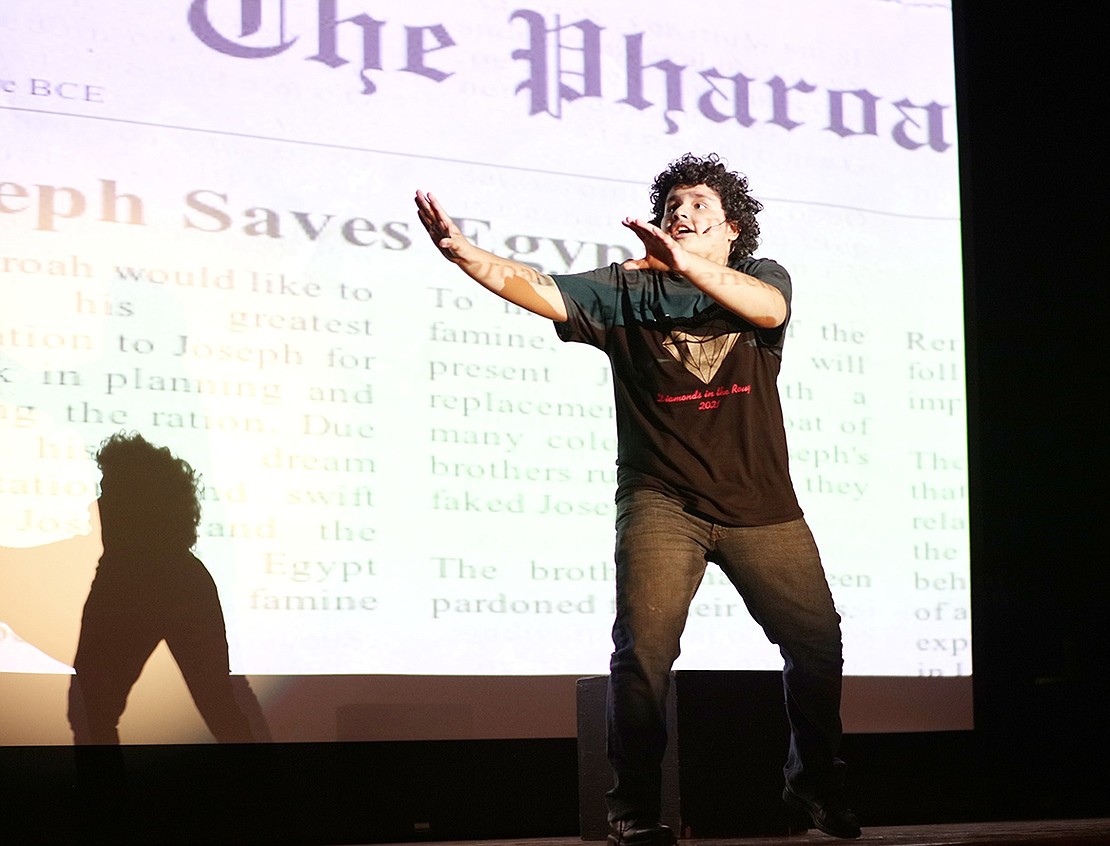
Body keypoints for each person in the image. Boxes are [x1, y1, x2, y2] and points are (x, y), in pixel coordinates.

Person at [415, 152, 859, 842]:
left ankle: (814, 786)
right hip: (662, 501)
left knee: (817, 644)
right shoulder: (623, 292)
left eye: (699, 207)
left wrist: (685, 267)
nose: (682, 215)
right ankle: (635, 810)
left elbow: (768, 310)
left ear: (732, 229)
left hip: (760, 506)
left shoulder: (759, 280)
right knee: (643, 653)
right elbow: (540, 288)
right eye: (672, 208)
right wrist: (465, 255)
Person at [68, 432, 260, 745]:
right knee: (219, 706)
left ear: (135, 497)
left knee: (90, 711)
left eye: (108, 489)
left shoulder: (129, 569)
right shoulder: (178, 570)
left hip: (137, 584)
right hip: (176, 581)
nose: (97, 503)